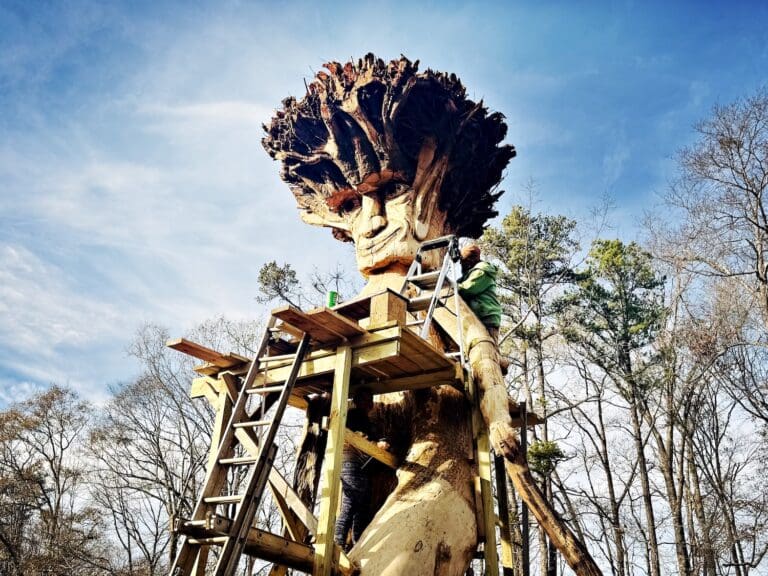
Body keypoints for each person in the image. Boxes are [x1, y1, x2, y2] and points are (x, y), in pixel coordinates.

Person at [334, 387, 388, 551]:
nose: (368, 403)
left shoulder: (363, 419)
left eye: (370, 400)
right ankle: (337, 543)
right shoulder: (353, 416)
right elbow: (360, 437)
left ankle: (358, 542)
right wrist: (377, 445)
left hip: (360, 465)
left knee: (363, 504)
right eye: (365, 400)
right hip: (350, 461)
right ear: (357, 402)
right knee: (351, 502)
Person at [458, 244, 502, 343]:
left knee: (488, 351)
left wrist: (450, 287)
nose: (462, 265)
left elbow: (467, 289)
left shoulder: (482, 271)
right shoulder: (470, 273)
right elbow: (459, 283)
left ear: (471, 260)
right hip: (479, 317)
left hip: (486, 318)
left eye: (463, 261)